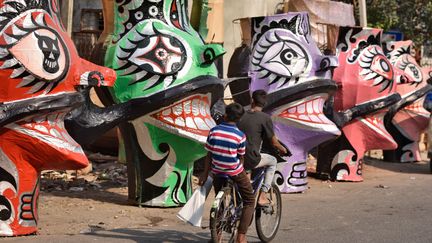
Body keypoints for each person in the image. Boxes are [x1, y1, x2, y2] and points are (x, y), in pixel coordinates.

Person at [199, 103, 254, 243]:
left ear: (225, 115)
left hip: (217, 171)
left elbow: (209, 155)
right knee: (249, 200)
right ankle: (241, 237)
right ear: (239, 119)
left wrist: (205, 174)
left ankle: (216, 234)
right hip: (234, 171)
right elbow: (241, 157)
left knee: (220, 201)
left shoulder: (214, 131)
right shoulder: (240, 136)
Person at [238, 90, 289, 206]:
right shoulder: (265, 118)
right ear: (264, 104)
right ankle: (263, 195)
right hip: (251, 158)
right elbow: (274, 142)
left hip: (236, 156)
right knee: (273, 161)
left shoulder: (241, 115)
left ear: (252, 101)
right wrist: (283, 149)